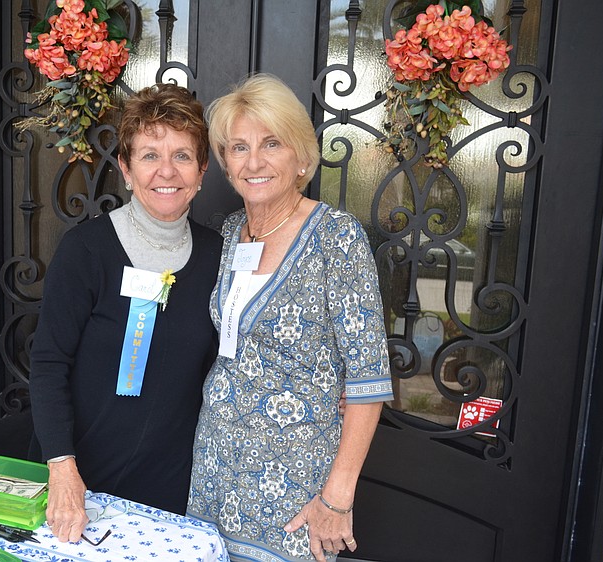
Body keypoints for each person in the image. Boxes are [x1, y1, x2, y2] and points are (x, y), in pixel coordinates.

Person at [186, 74, 393, 562]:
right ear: (226, 163)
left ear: (301, 156)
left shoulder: (336, 237)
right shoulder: (231, 232)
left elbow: (368, 377)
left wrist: (337, 497)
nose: (254, 161)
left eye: (271, 144)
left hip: (295, 482)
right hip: (215, 467)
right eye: (239, 148)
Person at [28, 83, 222, 543]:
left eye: (182, 156)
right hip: (78, 483)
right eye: (150, 155)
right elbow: (49, 363)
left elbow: (229, 359)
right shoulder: (86, 250)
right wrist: (62, 467)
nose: (166, 171)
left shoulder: (218, 255)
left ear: (201, 171)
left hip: (168, 486)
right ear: (126, 169)